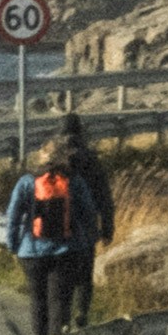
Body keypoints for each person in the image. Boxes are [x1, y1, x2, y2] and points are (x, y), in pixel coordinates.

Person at [7, 142, 83, 335]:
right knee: (60, 303)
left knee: (38, 300)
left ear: (41, 157)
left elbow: (13, 216)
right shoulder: (74, 181)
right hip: (65, 251)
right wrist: (83, 242)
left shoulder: (26, 182)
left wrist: (13, 245)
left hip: (31, 251)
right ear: (63, 159)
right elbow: (88, 214)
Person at [55, 104, 115, 322]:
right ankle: (81, 312)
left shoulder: (53, 158)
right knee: (84, 275)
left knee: (61, 275)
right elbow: (104, 197)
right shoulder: (91, 159)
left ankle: (62, 319)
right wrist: (108, 226)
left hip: (56, 224)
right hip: (85, 225)